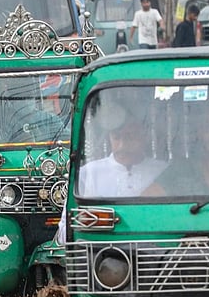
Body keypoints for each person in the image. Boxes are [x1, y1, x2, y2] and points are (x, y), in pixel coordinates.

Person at [55, 100, 167, 244]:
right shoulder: (88, 174)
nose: (122, 145)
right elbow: (64, 235)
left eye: (130, 137)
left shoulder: (162, 171)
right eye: (116, 137)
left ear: (143, 135)